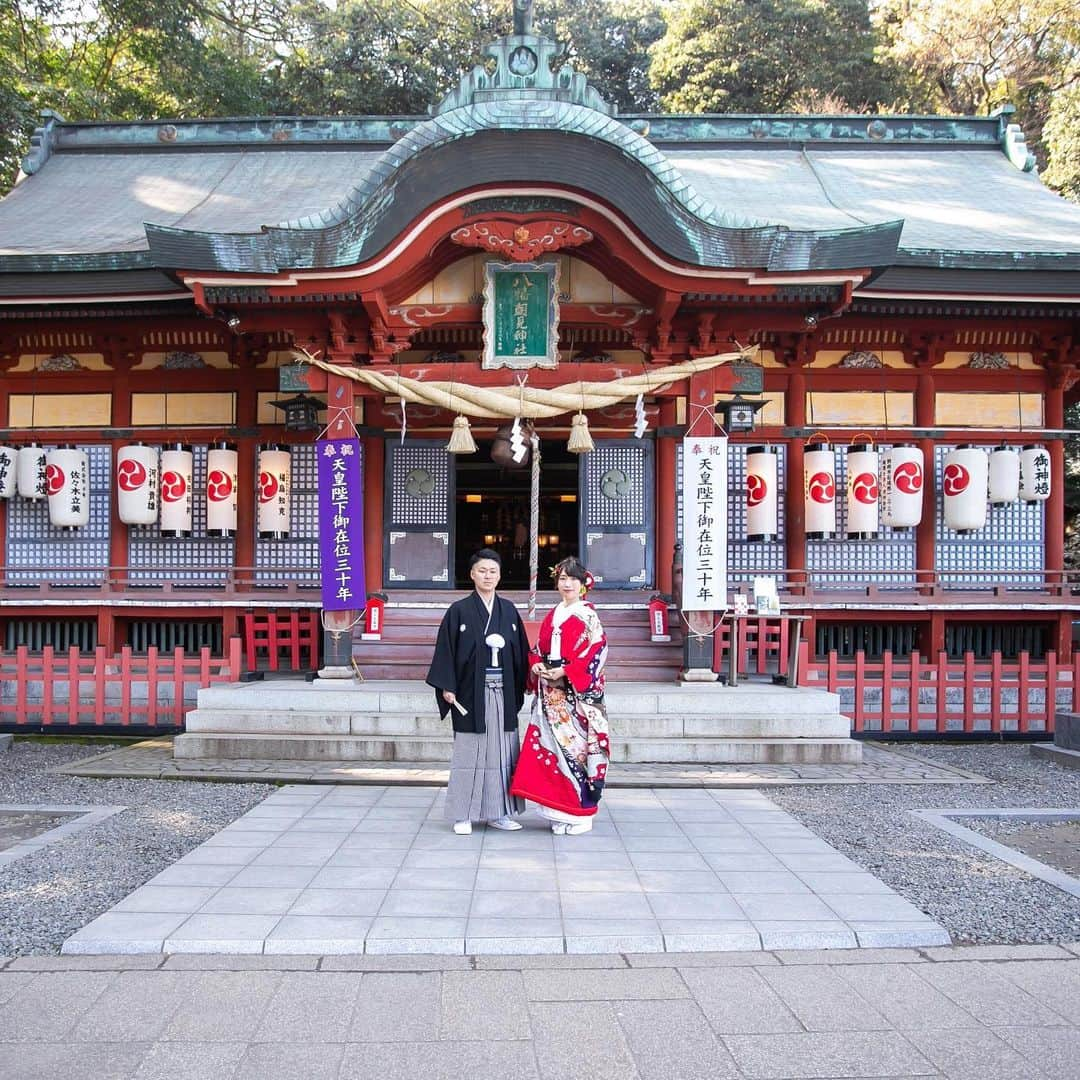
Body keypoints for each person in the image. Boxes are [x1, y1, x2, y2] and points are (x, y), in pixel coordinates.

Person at [426, 548, 530, 834]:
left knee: (503, 753)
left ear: (499, 576)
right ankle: (463, 814)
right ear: (472, 574)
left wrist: (532, 676)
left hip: (504, 692)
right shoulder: (458, 610)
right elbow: (445, 651)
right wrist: (447, 685)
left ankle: (501, 812)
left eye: (493, 571)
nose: (488, 576)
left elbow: (521, 652)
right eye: (482, 570)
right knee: (469, 754)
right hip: (470, 693)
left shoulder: (508, 610)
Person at [510, 556, 610, 835]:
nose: (566, 584)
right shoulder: (554, 613)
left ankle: (580, 814)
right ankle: (558, 812)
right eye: (562, 578)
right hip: (550, 695)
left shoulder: (588, 615)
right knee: (551, 752)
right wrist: (537, 665)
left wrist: (565, 672)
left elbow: (596, 652)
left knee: (576, 753)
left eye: (572, 579)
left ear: (583, 585)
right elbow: (538, 649)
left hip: (575, 697)